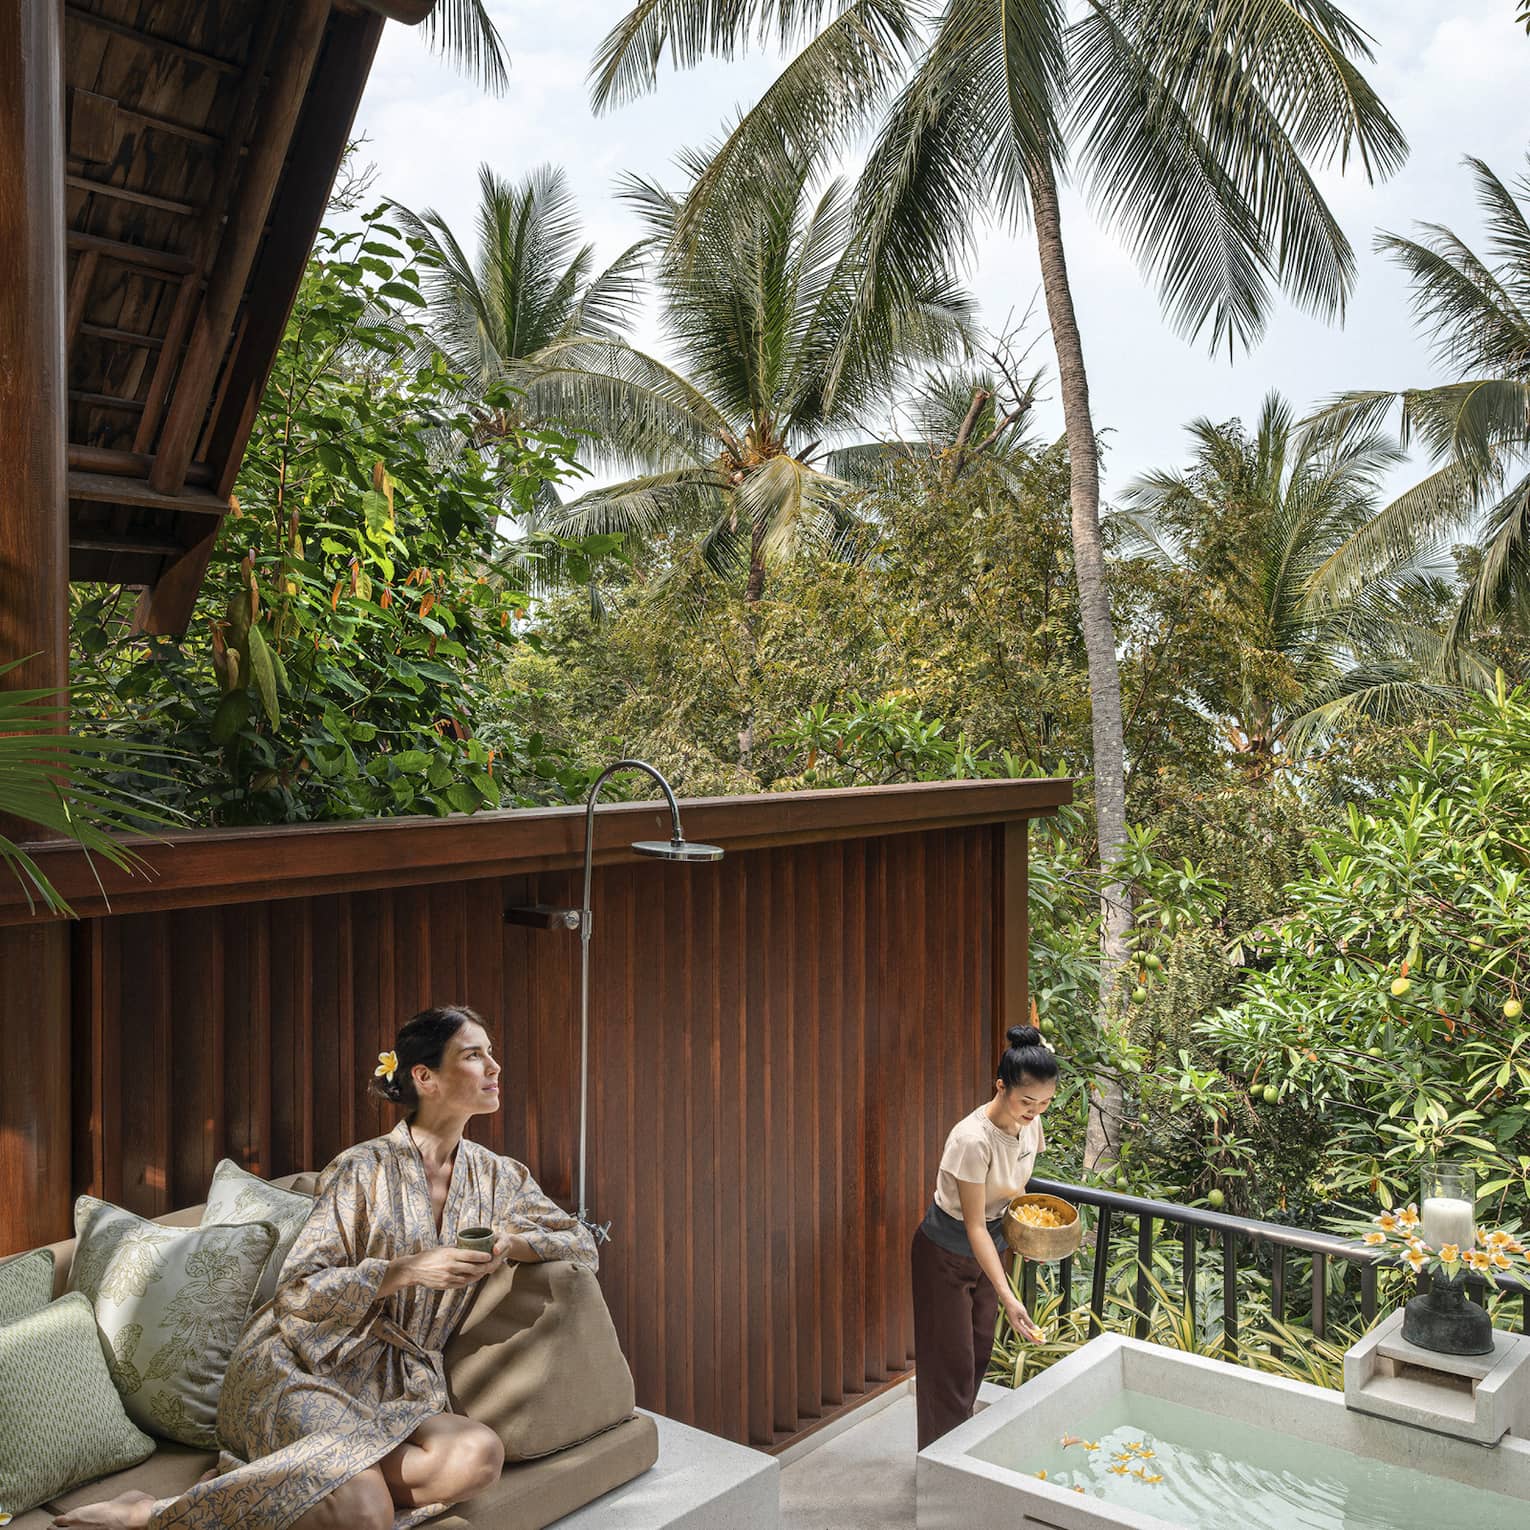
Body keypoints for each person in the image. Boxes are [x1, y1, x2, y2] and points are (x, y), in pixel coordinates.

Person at [56, 1005, 597, 1530]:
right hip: (305, 1364)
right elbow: (297, 1294)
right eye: (475, 1055)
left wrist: (512, 1242)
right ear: (425, 1077)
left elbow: (582, 1244)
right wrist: (404, 1270)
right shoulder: (361, 1169)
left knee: (478, 1454)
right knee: (364, 1512)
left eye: (491, 1053)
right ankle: (152, 1512)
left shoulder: (500, 1178)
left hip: (394, 1381)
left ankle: (320, 1485)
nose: (495, 1067)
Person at [910, 1024, 1057, 1450]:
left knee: (977, 1353)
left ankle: (952, 1455)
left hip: (991, 1249)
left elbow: (1018, 1192)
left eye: (1045, 1103)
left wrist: (1032, 1238)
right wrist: (1009, 1296)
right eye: (1028, 1101)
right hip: (945, 1253)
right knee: (948, 1367)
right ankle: (943, 1472)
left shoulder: (1029, 1124)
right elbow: (974, 1224)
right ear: (1001, 1086)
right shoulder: (971, 1139)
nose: (1035, 1111)